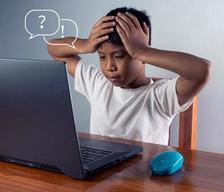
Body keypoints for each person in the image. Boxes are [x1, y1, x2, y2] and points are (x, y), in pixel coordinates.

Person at [47, 7, 211, 145]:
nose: (109, 67)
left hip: (143, 181)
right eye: (102, 56)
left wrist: (143, 51)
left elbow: (202, 70)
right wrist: (85, 44)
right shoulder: (97, 83)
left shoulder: (160, 95)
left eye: (119, 56)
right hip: (101, 178)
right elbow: (53, 48)